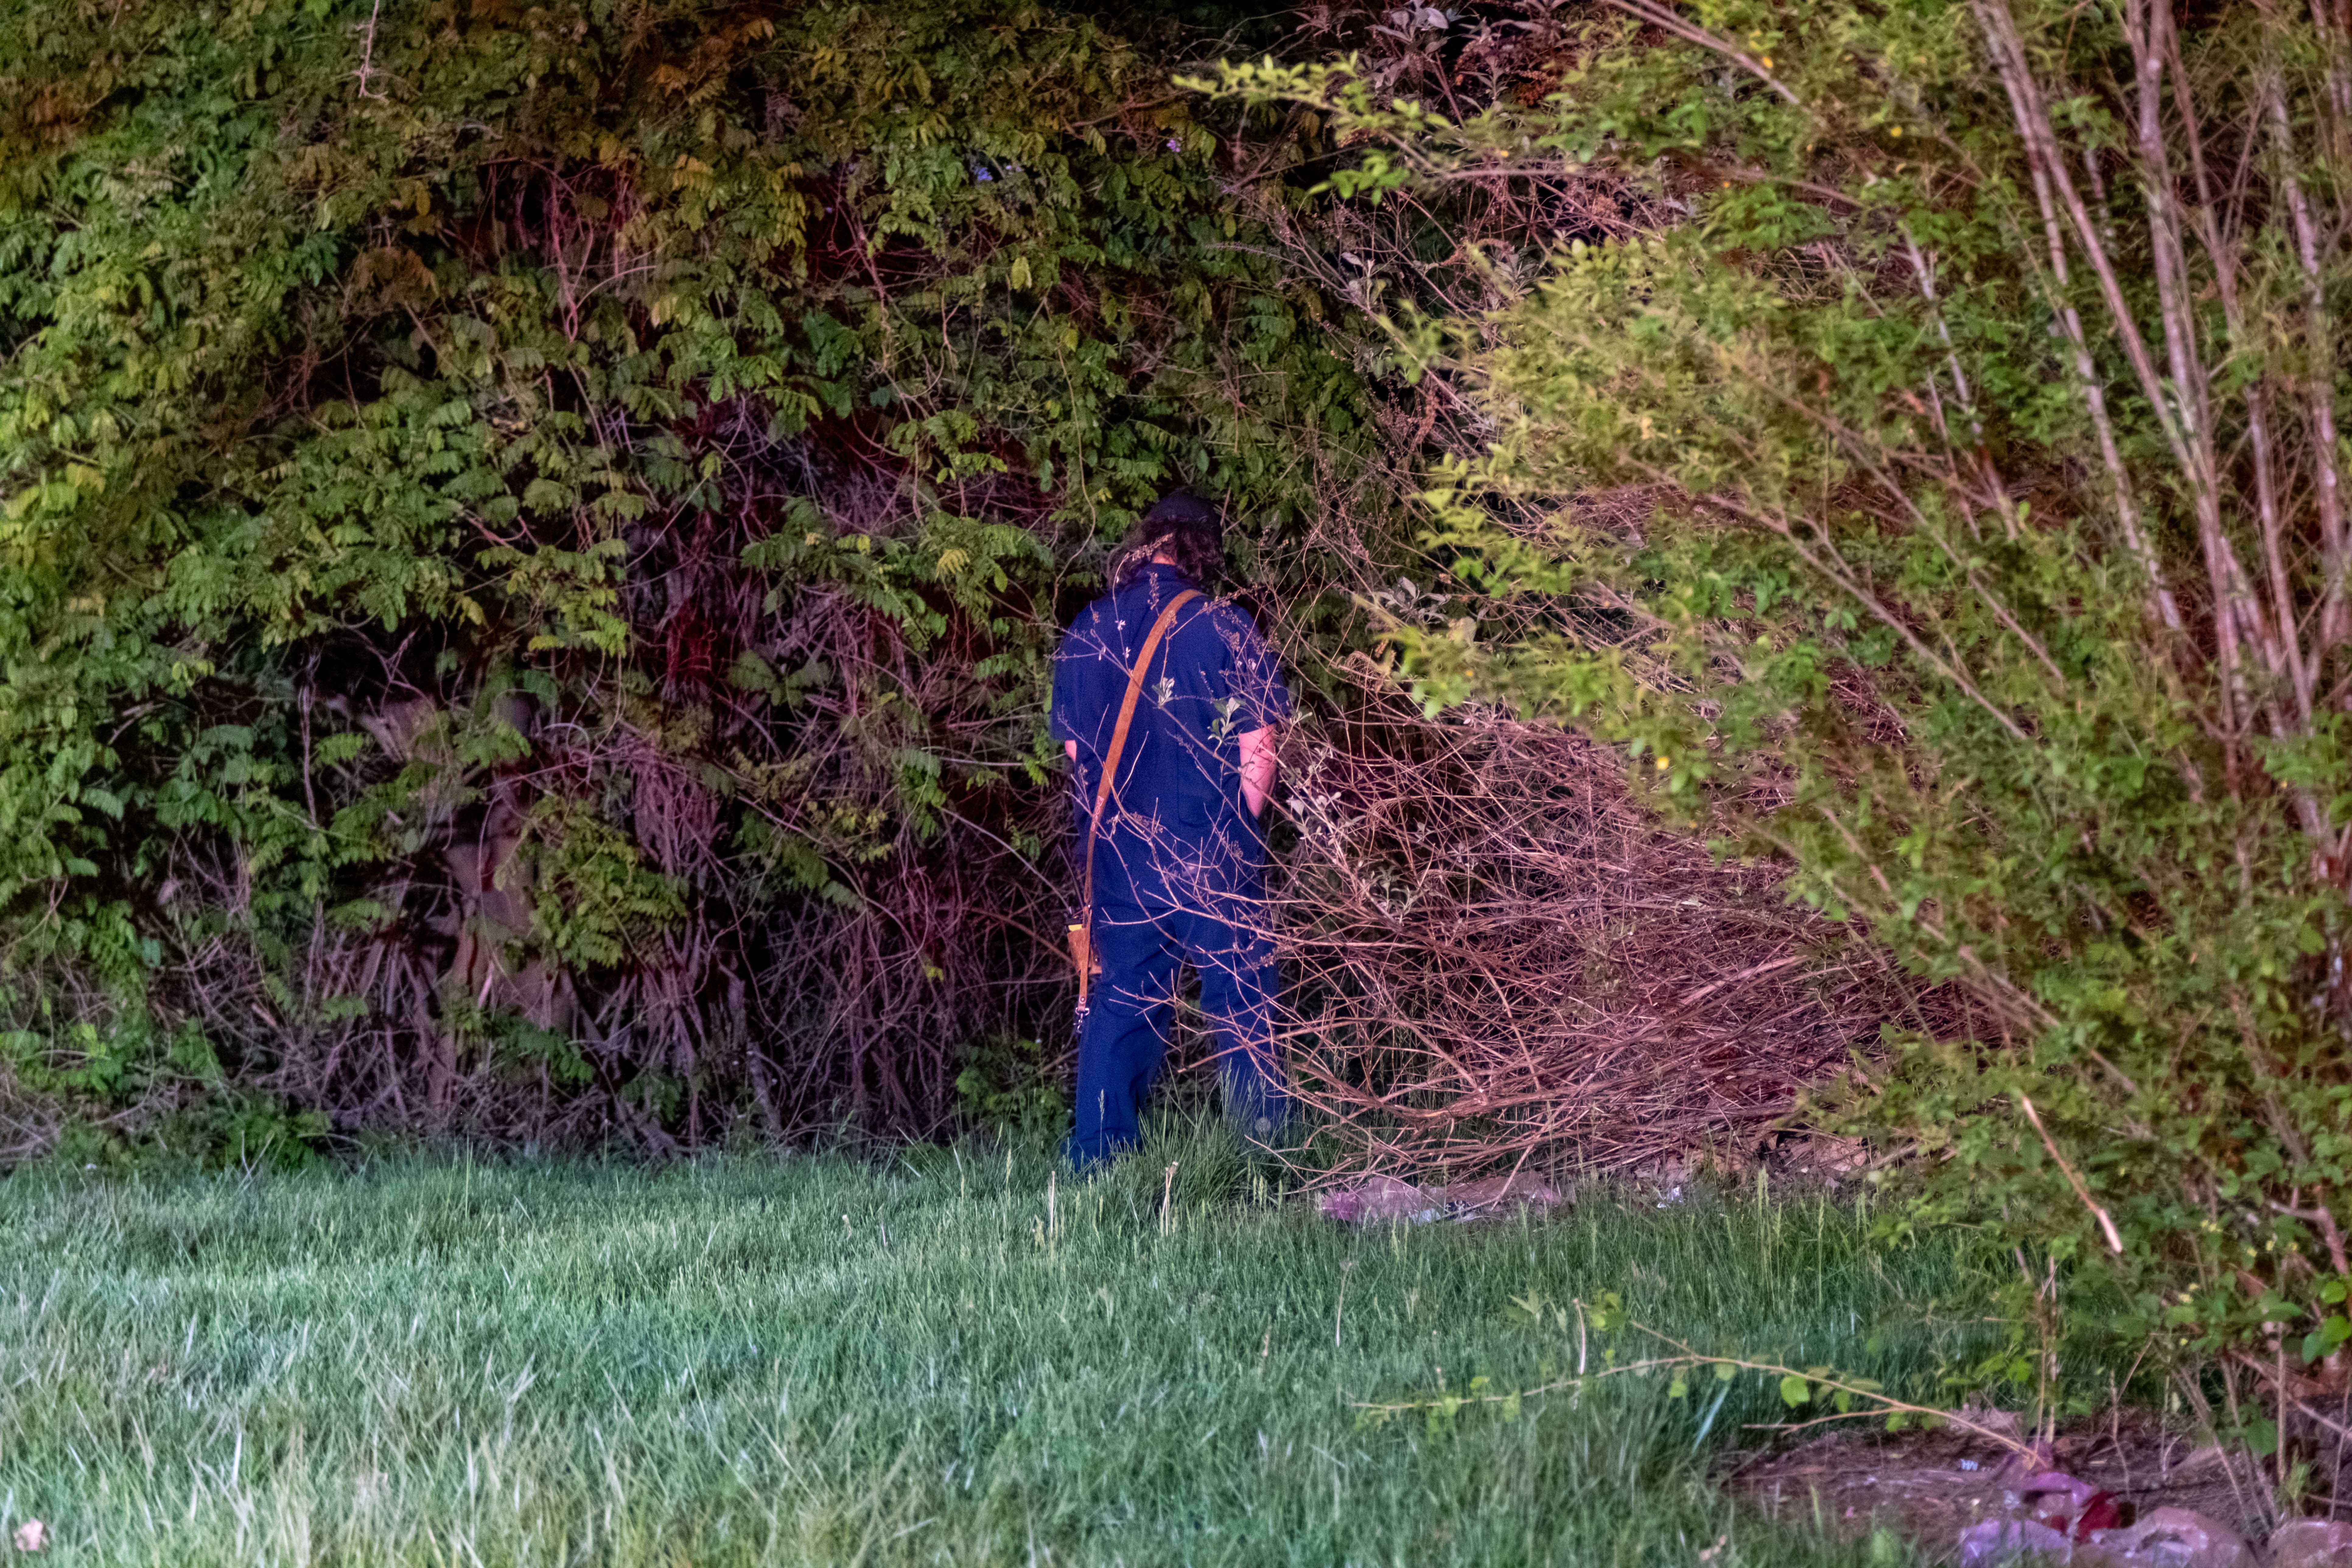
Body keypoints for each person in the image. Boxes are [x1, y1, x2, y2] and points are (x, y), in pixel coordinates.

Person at [1049, 490, 1293, 1168]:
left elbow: (1075, 752)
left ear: (1146, 541)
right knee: (1241, 997)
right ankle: (1264, 1156)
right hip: (1211, 844)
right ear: (1205, 552)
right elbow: (1259, 748)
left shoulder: (1091, 627)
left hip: (1121, 850)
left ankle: (1098, 1158)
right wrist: (1238, 831)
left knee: (1121, 998)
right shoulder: (1225, 625)